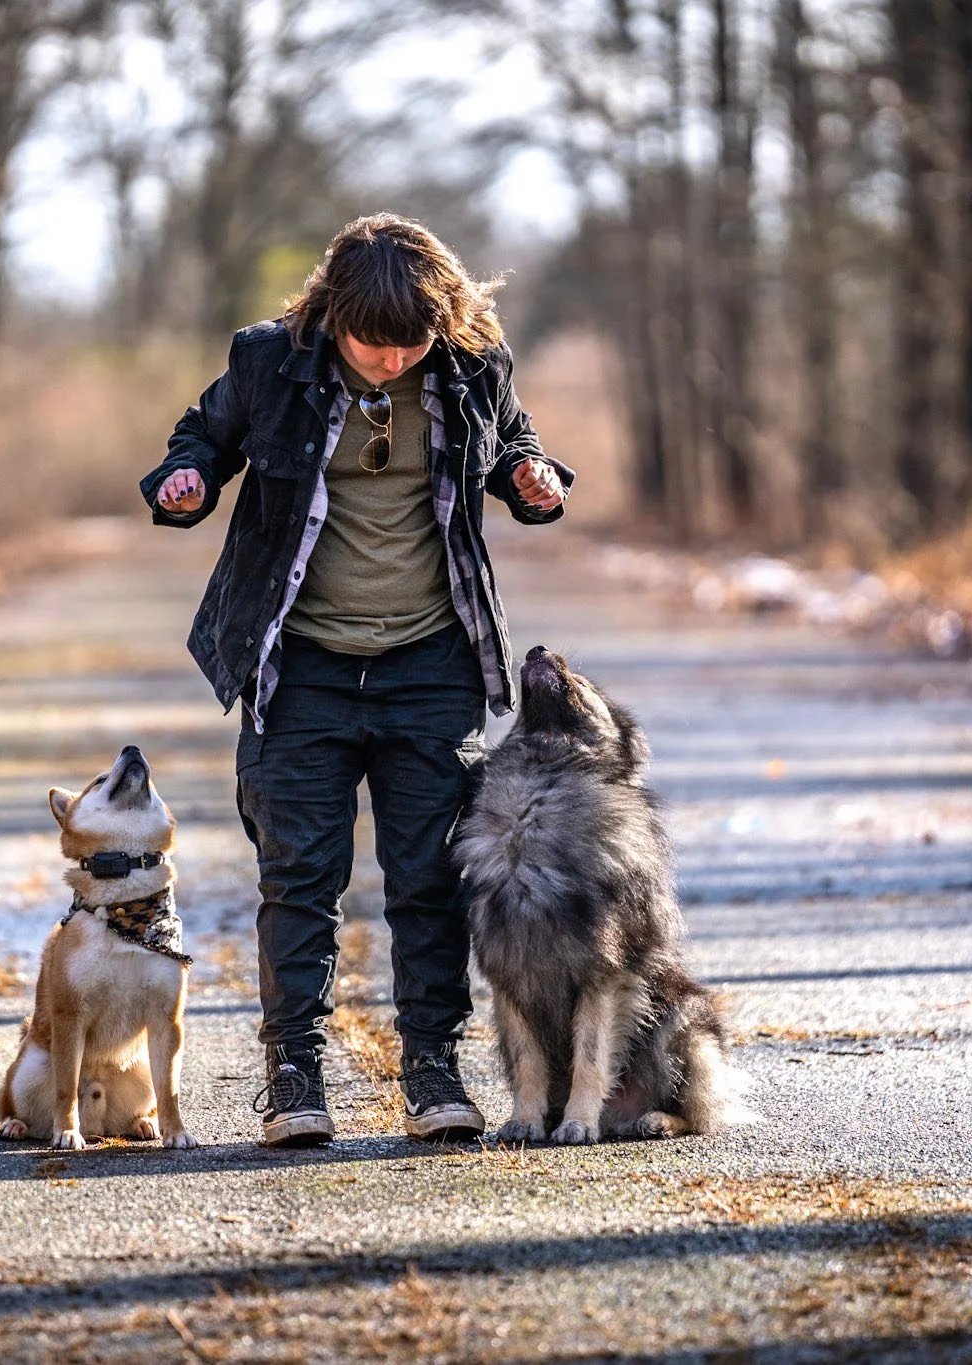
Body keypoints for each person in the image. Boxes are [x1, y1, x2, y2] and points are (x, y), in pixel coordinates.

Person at [140, 213, 573, 1147]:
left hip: (431, 662)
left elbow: (513, 444)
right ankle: (294, 1073)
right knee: (300, 876)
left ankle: (433, 1070)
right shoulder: (270, 362)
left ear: (443, 323)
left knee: (429, 877)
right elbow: (201, 436)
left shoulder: (471, 367)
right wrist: (186, 480)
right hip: (299, 666)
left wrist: (534, 476)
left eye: (407, 345)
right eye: (369, 346)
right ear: (333, 317)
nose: (388, 362)